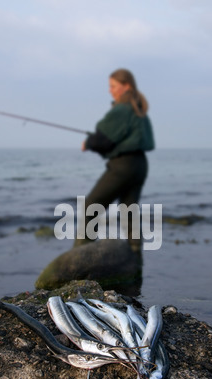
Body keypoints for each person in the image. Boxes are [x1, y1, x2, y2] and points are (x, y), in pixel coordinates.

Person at [75, 68, 155, 252]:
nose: (110, 90)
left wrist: (88, 142)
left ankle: (78, 262)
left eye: (113, 86)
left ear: (126, 86)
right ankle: (136, 261)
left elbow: (103, 140)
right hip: (140, 165)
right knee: (129, 212)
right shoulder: (138, 109)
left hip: (123, 166)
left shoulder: (122, 109)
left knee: (90, 208)